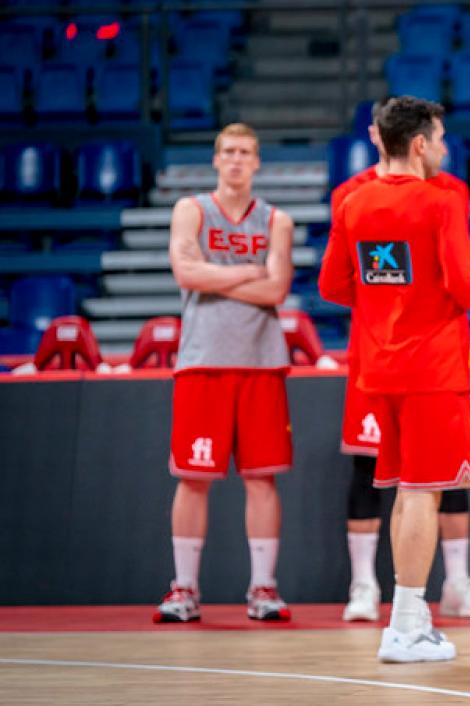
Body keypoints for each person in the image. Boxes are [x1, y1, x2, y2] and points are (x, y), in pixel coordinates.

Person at [320, 96, 470, 663]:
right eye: (438, 139)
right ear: (418, 144)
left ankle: (408, 618)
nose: (442, 148)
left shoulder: (351, 201)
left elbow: (333, 287)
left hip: (376, 367)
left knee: (404, 492)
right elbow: (466, 287)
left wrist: (385, 293)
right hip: (432, 366)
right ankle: (407, 624)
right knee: (422, 492)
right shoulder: (440, 202)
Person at [156, 123, 296, 623]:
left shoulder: (277, 220)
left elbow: (277, 289)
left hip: (261, 362)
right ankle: (184, 589)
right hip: (202, 360)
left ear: (257, 163)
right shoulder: (191, 210)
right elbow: (186, 273)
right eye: (228, 152)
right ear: (215, 160)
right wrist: (247, 272)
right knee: (193, 478)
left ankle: (263, 587)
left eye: (246, 153)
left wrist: (216, 276)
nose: (236, 160)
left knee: (261, 480)